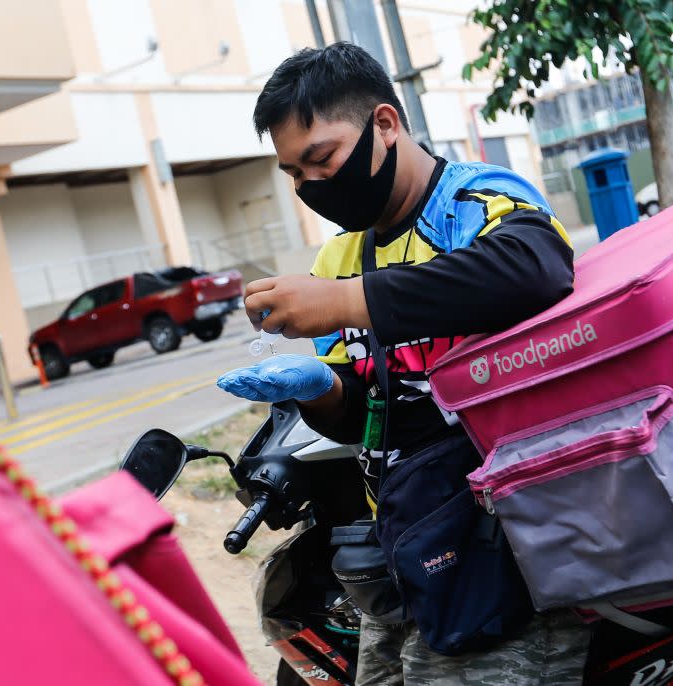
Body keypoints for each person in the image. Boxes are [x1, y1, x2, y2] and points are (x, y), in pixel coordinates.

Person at [216, 43, 589, 685]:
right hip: (408, 539)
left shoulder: (473, 202)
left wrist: (343, 303)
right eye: (294, 174)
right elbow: (365, 416)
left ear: (384, 125)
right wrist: (322, 389)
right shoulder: (339, 258)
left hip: (509, 544)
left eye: (322, 159)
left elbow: (535, 268)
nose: (311, 187)